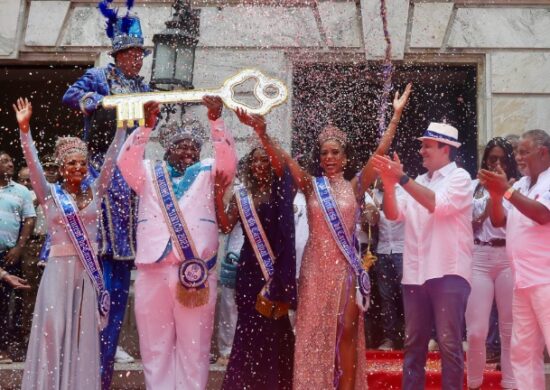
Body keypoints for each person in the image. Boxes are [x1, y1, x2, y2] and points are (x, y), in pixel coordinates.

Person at [243, 84, 411, 389]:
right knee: (313, 332)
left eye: (335, 152)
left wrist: (396, 115)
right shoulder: (310, 185)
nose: (329, 157)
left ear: (345, 157)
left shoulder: (356, 186)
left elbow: (381, 152)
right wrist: (263, 134)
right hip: (315, 268)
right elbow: (282, 160)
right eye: (324, 153)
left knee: (346, 329)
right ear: (319, 158)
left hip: (345, 268)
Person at [13, 97, 152, 389]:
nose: (78, 167)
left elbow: (113, 159)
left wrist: (121, 129)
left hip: (88, 274)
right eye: (72, 163)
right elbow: (32, 163)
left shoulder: (96, 191)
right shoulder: (49, 193)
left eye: (82, 163)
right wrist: (25, 130)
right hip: (57, 272)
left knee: (82, 334)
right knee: (53, 332)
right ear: (62, 167)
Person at [117, 96, 236, 390]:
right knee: (154, 346)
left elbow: (229, 163)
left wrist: (216, 121)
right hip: (152, 271)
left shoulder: (209, 172)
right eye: (181, 146)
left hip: (195, 271)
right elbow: (124, 162)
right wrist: (145, 127)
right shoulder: (147, 172)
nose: (188, 151)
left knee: (194, 347)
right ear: (167, 149)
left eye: (194, 147)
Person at [61, 1, 151, 385]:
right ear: (120, 54)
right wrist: (94, 102)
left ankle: (106, 369)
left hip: (129, 178)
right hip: (99, 169)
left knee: (118, 282)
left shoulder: (144, 88)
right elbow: (70, 96)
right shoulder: (100, 75)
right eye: (133, 54)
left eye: (141, 55)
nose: (139, 61)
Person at [373, 122, 474, 390]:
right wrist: (389, 183)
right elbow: (393, 215)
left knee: (448, 343)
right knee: (413, 345)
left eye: (427, 146)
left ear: (445, 149)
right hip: (416, 273)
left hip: (448, 272)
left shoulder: (461, 178)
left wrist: (402, 179)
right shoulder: (418, 181)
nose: (421, 151)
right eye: (422, 145)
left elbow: (436, 204)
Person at [215, 111, 297, 390]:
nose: (261, 165)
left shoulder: (280, 193)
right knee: (248, 329)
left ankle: (275, 383)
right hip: (249, 270)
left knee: (276, 328)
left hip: (277, 267)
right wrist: (217, 196)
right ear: (249, 167)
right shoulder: (242, 196)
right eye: (256, 161)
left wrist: (262, 133)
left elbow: (281, 163)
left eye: (265, 161)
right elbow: (226, 226)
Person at [479, 129, 550, 390]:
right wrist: (497, 195)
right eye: (517, 151)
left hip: (546, 281)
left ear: (542, 153)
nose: (517, 157)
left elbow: (543, 214)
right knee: (523, 353)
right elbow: (499, 220)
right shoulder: (520, 185)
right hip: (523, 281)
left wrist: (505, 191)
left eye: (523, 152)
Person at [465, 137, 518, 390]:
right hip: (479, 256)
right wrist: (488, 195)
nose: (496, 163)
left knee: (509, 328)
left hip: (508, 257)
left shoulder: (517, 187)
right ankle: (474, 383)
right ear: (485, 160)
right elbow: (470, 223)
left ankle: (510, 383)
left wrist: (502, 190)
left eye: (502, 159)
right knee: (476, 330)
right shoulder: (473, 186)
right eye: (492, 158)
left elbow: (505, 222)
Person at [0, 151, 35, 364]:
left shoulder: (21, 190)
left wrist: (19, 249)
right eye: (4, 161)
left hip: (9, 255)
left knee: (9, 303)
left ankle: (5, 348)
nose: (9, 164)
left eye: (10, 160)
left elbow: (29, 219)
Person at [364, 179, 406, 350]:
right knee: (386, 298)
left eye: (383, 174)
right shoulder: (371, 193)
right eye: (377, 174)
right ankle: (389, 338)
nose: (380, 178)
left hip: (403, 249)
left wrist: (380, 205)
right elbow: (372, 221)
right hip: (382, 251)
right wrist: (371, 206)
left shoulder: (404, 190)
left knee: (407, 296)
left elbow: (398, 213)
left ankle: (411, 336)